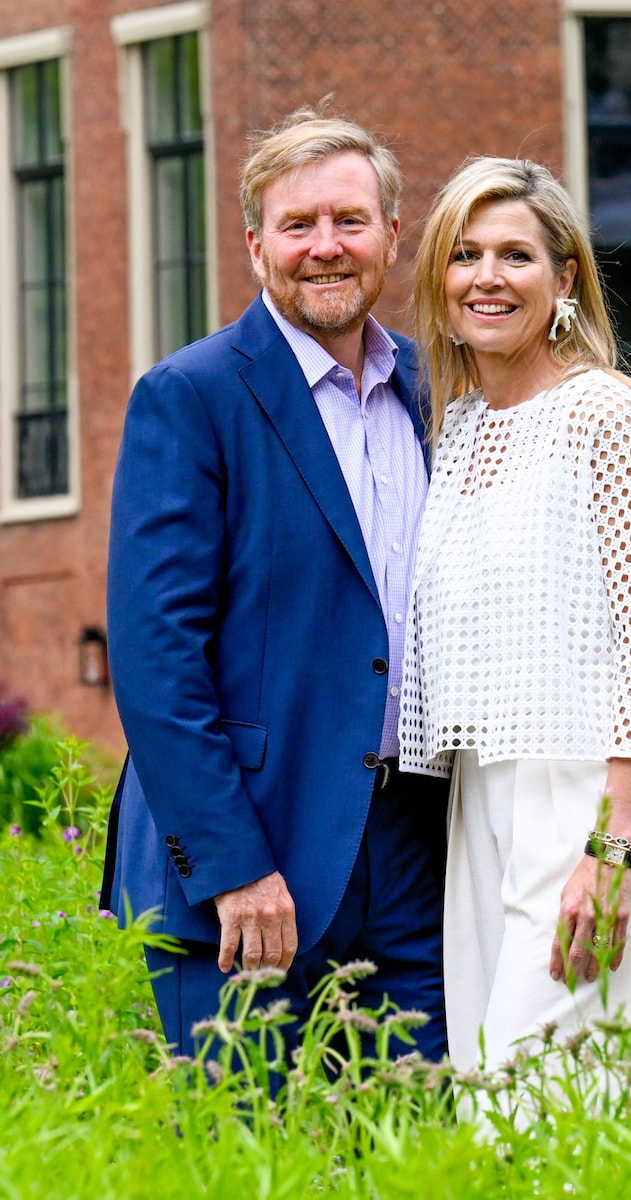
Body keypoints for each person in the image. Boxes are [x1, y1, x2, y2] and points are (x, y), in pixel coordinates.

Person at [100, 103, 449, 1067]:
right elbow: (155, 656)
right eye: (298, 226)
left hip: (415, 852)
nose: (324, 248)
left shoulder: (439, 391)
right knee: (247, 1158)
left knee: (420, 1152)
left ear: (390, 235)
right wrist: (235, 865)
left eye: (348, 221)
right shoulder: (192, 395)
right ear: (256, 248)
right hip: (252, 868)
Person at [399, 156, 631, 1087]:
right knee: (499, 1101)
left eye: (516, 255)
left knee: (537, 1113)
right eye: (466, 254)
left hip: (591, 802)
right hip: (480, 802)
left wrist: (614, 850)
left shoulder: (605, 416)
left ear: (565, 278)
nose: (487, 277)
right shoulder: (461, 432)